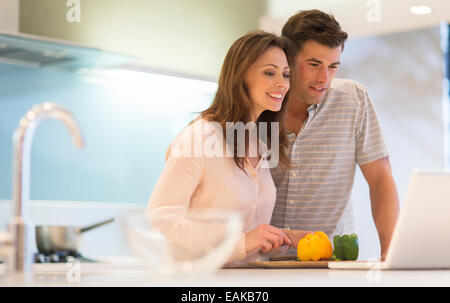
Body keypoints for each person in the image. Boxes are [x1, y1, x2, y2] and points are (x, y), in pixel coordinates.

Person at [146, 30, 294, 263]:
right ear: (240, 75)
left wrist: (284, 239)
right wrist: (241, 243)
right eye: (269, 72)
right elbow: (161, 218)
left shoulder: (259, 144)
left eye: (286, 75)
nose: (282, 84)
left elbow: (249, 234)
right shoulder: (199, 138)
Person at [271, 10, 400, 260]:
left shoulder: (353, 100)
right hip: (260, 261)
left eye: (333, 66)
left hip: (330, 260)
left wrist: (390, 249)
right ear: (287, 59)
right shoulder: (259, 105)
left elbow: (381, 180)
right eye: (314, 65)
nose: (324, 79)